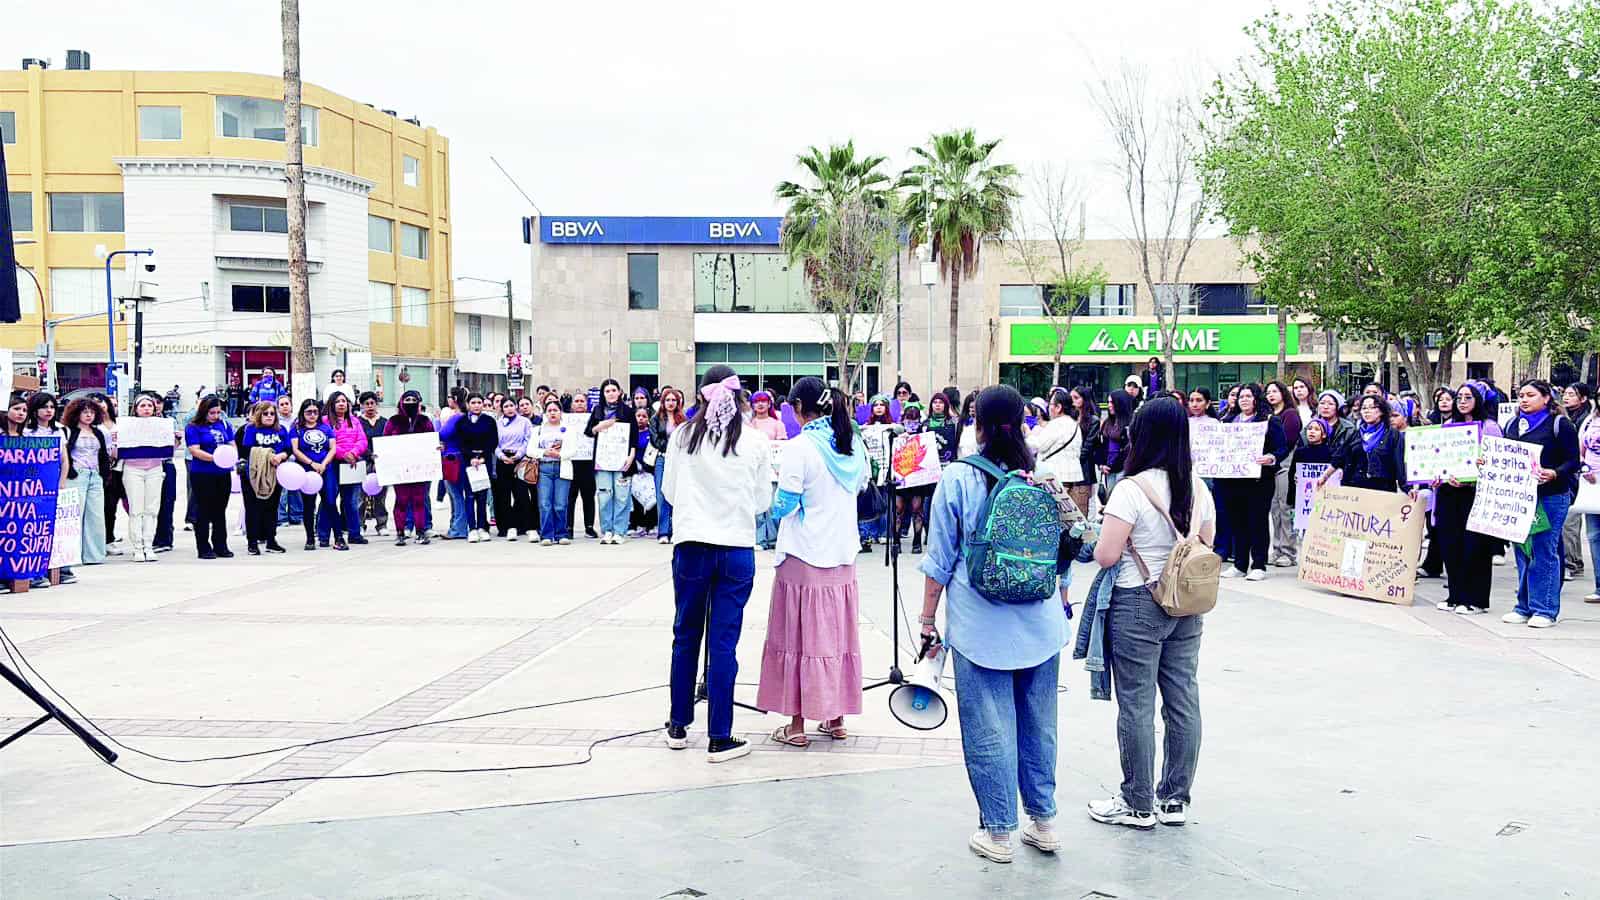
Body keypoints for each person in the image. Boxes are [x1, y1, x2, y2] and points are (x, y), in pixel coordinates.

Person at [919, 385, 1068, 862]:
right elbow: (1070, 548)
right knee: (1039, 724)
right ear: (1023, 423)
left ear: (977, 425)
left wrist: (927, 620)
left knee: (989, 729)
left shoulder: (958, 478)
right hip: (1041, 624)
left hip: (979, 625)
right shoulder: (1043, 476)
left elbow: (939, 560)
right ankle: (1044, 822)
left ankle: (999, 833)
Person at [1087, 395, 1214, 831]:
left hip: (1137, 600)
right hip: (1187, 603)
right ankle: (1174, 800)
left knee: (1136, 704)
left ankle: (1137, 803)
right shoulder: (1198, 487)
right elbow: (1207, 544)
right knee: (1183, 700)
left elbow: (1106, 555)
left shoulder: (1131, 489)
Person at [662, 366, 772, 764]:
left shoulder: (682, 436)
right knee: (724, 642)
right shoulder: (755, 441)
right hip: (736, 547)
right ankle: (720, 736)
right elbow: (762, 501)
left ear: (700, 396)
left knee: (685, 634)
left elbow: (669, 491)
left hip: (691, 543)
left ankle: (678, 724)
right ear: (740, 397)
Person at [757, 377, 866, 748]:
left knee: (798, 638)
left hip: (804, 553)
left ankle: (797, 725)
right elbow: (860, 488)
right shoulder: (852, 444)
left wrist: (778, 506)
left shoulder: (800, 447)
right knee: (836, 636)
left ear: (799, 408)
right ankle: (836, 718)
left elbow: (785, 504)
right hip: (843, 552)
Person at [1501, 380, 1580, 628]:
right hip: (1520, 497)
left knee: (1544, 550)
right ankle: (1523, 606)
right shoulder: (1512, 424)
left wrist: (1555, 473)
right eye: (1521, 395)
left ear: (1546, 398)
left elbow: (1573, 461)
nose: (1524, 400)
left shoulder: (1559, 424)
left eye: (1530, 395)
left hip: (1551, 496)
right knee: (1523, 550)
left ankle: (1545, 609)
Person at [1432, 384, 1502, 614]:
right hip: (1448, 493)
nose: (1462, 401)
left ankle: (1476, 599)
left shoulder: (1489, 427)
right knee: (1450, 544)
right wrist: (1434, 477)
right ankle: (1455, 595)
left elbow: (1497, 463)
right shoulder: (1448, 426)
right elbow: (1436, 458)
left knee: (1475, 547)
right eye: (1459, 397)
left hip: (1475, 494)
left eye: (1468, 397)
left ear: (1478, 400)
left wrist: (1471, 480)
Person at [1217, 384, 1288, 581]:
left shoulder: (1269, 421)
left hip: (1259, 481)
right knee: (1237, 522)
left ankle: (1258, 564)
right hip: (1233, 480)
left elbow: (1282, 448)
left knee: (1257, 522)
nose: (1244, 400)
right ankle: (1239, 564)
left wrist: (1271, 457)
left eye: (1248, 396)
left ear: (1257, 398)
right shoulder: (1227, 421)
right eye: (1241, 397)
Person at [22, 393, 76, 587]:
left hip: (53, 486)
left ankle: (62, 569)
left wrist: (62, 482)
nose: (49, 411)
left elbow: (64, 460)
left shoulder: (59, 431)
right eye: (44, 407)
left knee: (58, 529)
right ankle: (36, 572)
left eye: (52, 407)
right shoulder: (26, 432)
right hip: (31, 487)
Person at [586, 379, 638, 545]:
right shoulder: (597, 410)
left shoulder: (628, 411)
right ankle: (607, 530)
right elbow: (589, 431)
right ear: (603, 394)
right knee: (604, 496)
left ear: (619, 392)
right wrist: (599, 426)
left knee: (622, 497)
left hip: (623, 461)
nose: (611, 393)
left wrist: (631, 456)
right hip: (603, 461)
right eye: (607, 391)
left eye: (613, 390)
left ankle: (619, 531)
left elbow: (634, 436)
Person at [1321, 394, 1405, 493]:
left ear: (1382, 411)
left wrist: (1407, 488)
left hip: (1382, 489)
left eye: (1372, 407)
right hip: (1355, 488)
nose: (1367, 411)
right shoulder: (1356, 434)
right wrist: (1324, 477)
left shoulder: (1392, 434)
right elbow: (1339, 457)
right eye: (1364, 408)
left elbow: (1400, 463)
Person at [64, 398, 113, 566]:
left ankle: (94, 556)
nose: (88, 415)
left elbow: (104, 455)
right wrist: (70, 472)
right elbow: (65, 454)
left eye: (92, 412)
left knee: (96, 517)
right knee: (75, 516)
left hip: (95, 476)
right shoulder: (68, 431)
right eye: (85, 412)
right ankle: (73, 556)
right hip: (77, 475)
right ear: (76, 413)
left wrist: (104, 475)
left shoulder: (99, 432)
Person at [382, 390, 435, 546]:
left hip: (420, 468)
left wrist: (436, 448)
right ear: (401, 402)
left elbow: (432, 440)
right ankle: (400, 532)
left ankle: (420, 532)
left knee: (419, 500)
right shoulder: (393, 421)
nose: (410, 402)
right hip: (399, 469)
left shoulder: (425, 421)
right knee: (401, 501)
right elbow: (385, 441)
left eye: (413, 400)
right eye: (407, 399)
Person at [185, 397, 235, 559]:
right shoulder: (193, 427)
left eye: (218, 412)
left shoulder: (224, 424)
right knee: (203, 510)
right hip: (203, 473)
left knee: (220, 510)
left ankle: (220, 544)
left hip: (222, 473)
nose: (215, 416)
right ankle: (203, 546)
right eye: (212, 413)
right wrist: (215, 458)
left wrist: (230, 457)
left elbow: (232, 443)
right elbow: (194, 450)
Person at [238, 401, 290, 555]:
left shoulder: (281, 430)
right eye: (265, 413)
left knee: (272, 508)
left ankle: (271, 540)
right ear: (259, 415)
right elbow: (247, 450)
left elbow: (288, 449)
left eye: (272, 413)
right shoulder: (251, 429)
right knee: (252, 508)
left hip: (275, 474)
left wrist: (281, 456)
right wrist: (268, 456)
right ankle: (252, 543)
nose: (269, 416)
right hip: (253, 474)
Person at [1028, 388, 1085, 514]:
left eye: (1050, 404)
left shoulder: (1056, 424)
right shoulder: (1074, 424)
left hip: (1055, 476)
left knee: (1051, 512)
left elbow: (1039, 445)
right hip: (1071, 476)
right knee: (1065, 514)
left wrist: (1027, 434)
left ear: (1058, 407)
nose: (1048, 408)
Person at [1264, 381, 1302, 568]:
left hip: (1285, 465)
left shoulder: (1290, 414)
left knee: (1285, 509)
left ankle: (1289, 551)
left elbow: (1287, 443)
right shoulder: (1267, 415)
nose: (1271, 395)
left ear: (1283, 393)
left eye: (1275, 391)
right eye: (1268, 392)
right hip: (1270, 467)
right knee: (1274, 510)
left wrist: (1275, 456)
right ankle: (1277, 549)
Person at [323, 392, 369, 547]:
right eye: (338, 401)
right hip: (332, 464)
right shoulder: (325, 421)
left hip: (352, 463)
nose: (341, 404)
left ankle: (354, 534)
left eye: (344, 401)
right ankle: (323, 535)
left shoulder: (355, 420)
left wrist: (354, 453)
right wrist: (343, 454)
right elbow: (325, 443)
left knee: (351, 501)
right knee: (329, 499)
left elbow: (362, 440)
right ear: (332, 404)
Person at [289, 398, 335, 551]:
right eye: (309, 412)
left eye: (315, 412)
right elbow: (295, 450)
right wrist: (311, 463)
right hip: (306, 470)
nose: (312, 415)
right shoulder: (296, 428)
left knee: (330, 502)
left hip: (325, 469)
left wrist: (324, 464)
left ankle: (338, 537)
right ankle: (310, 538)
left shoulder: (325, 428)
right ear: (302, 413)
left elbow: (332, 448)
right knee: (309, 505)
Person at [456, 393, 499, 543]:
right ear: (468, 404)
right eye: (473, 402)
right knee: (469, 496)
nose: (476, 405)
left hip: (484, 461)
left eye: (479, 402)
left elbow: (493, 441)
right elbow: (460, 443)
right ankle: (472, 528)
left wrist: (482, 458)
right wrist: (471, 457)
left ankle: (482, 527)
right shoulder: (462, 422)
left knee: (482, 496)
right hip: (468, 462)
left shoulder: (489, 421)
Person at [1559, 384, 1592, 582]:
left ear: (1583, 398)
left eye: (1572, 394)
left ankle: (1570, 563)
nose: (1566, 397)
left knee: (1570, 521)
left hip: (1581, 477)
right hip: (1574, 475)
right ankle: (1573, 561)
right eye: (1565, 394)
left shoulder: (1586, 421)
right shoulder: (1566, 418)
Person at [491, 396, 535, 540]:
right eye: (506, 406)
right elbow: (494, 443)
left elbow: (528, 440)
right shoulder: (498, 423)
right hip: (503, 460)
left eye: (511, 405)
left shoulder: (524, 422)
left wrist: (519, 455)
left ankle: (526, 526)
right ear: (502, 409)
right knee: (504, 495)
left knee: (521, 494)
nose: (509, 409)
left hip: (520, 460)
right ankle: (509, 526)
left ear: (516, 406)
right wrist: (501, 456)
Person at [649, 387, 687, 545]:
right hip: (662, 458)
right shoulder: (656, 419)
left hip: (679, 460)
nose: (671, 403)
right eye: (668, 400)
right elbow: (655, 440)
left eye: (673, 400)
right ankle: (663, 531)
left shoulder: (683, 419)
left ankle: (676, 530)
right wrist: (671, 446)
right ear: (662, 402)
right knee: (662, 494)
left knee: (677, 495)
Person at [537, 398, 572, 545]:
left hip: (562, 466)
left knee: (560, 504)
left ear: (561, 412)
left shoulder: (568, 429)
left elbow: (573, 449)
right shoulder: (538, 429)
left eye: (555, 410)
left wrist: (559, 454)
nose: (552, 413)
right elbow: (531, 450)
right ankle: (546, 535)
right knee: (545, 503)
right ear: (545, 413)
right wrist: (545, 452)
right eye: (549, 410)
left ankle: (561, 534)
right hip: (544, 468)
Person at [1577, 386, 1600, 604]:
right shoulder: (1590, 421)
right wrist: (1584, 467)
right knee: (1594, 536)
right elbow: (1580, 450)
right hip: (1592, 486)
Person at [565, 392, 598, 538]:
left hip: (588, 461)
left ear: (587, 404)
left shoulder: (593, 418)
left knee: (588, 496)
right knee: (570, 497)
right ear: (572, 405)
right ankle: (568, 527)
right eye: (576, 401)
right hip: (570, 461)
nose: (579, 404)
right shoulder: (565, 419)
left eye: (582, 401)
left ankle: (589, 527)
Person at [357, 392, 389, 536]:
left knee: (381, 496)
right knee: (360, 496)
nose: (370, 406)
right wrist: (369, 455)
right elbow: (357, 440)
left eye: (372, 403)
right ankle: (360, 524)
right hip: (362, 461)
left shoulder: (384, 422)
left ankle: (382, 524)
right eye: (366, 404)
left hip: (381, 462)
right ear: (361, 406)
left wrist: (379, 458)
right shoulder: (357, 422)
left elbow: (388, 441)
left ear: (377, 404)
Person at [275, 394, 304, 529]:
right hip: (281, 459)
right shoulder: (275, 422)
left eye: (287, 404)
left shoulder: (298, 421)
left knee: (296, 488)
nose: (285, 406)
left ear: (291, 406)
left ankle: (296, 516)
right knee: (282, 490)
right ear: (277, 407)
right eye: (281, 404)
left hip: (297, 458)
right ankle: (281, 517)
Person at [628, 405, 657, 537]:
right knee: (636, 497)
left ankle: (651, 524)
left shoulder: (651, 433)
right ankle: (637, 524)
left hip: (649, 469)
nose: (640, 418)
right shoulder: (630, 433)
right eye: (638, 416)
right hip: (634, 469)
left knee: (652, 496)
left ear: (648, 418)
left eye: (644, 416)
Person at [1101, 390, 1136, 497]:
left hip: (1123, 468)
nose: (1109, 405)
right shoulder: (1107, 422)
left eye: (1112, 402)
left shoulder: (1131, 424)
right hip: (1109, 468)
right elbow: (1102, 446)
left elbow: (1130, 449)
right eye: (1108, 402)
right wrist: (1102, 464)